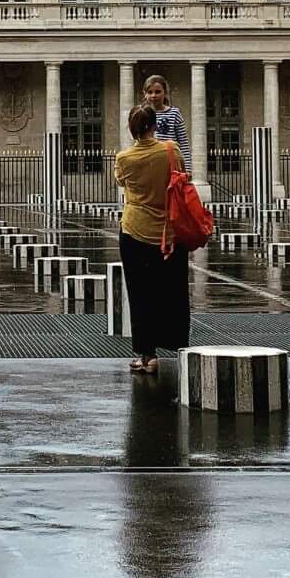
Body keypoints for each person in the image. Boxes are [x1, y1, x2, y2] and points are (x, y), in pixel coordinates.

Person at [114, 103, 190, 376]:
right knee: (173, 292)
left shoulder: (125, 158)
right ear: (155, 125)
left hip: (135, 232)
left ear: (131, 129)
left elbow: (122, 182)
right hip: (169, 232)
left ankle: (147, 356)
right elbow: (182, 177)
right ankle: (180, 346)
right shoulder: (171, 151)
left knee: (141, 293)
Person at [142, 72, 189, 172]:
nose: (154, 95)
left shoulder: (174, 113)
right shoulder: (143, 114)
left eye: (158, 92)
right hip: (150, 163)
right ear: (145, 94)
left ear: (165, 92)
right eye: (150, 92)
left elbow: (183, 143)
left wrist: (187, 169)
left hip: (171, 164)